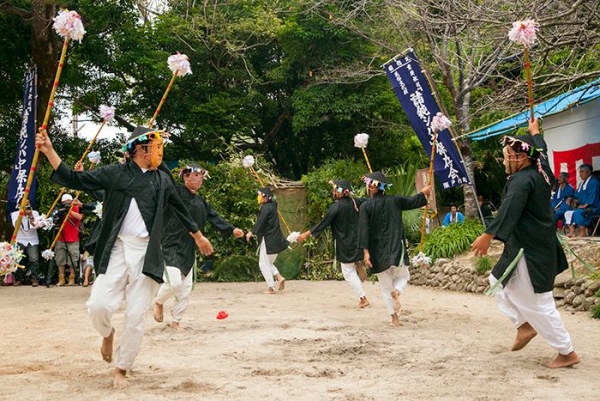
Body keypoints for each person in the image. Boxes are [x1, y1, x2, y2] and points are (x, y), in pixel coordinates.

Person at [35, 126, 213, 389]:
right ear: (139, 149)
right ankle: (107, 333)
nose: (158, 151)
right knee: (98, 306)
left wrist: (198, 236)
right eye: (154, 146)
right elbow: (74, 179)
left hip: (147, 252)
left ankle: (122, 367)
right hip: (117, 248)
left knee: (136, 315)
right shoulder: (115, 173)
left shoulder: (163, 180)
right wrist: (49, 151)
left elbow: (180, 208)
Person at [471, 118, 579, 369]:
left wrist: (488, 235)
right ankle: (524, 325)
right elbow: (543, 153)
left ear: (521, 157)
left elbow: (510, 209)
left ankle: (567, 352)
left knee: (540, 304)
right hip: (529, 246)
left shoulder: (521, 181)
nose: (506, 160)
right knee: (496, 281)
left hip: (530, 250)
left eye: (508, 155)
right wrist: (535, 133)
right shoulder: (542, 171)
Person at [154, 163, 244, 330]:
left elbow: (214, 217)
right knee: (174, 283)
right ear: (185, 177)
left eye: (202, 176)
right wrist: (156, 152)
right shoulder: (175, 192)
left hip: (190, 247)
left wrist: (232, 230)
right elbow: (164, 172)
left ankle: (176, 321)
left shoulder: (201, 202)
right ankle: (158, 302)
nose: (200, 178)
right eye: (196, 175)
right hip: (171, 244)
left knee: (186, 288)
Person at [358, 171, 431, 326]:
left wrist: (365, 253)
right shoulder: (395, 200)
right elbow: (414, 201)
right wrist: (424, 193)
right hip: (396, 249)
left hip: (377, 253)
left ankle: (394, 319)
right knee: (404, 277)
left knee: (385, 287)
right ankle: (397, 291)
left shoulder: (365, 206)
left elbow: (363, 230)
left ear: (371, 188)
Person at [298, 179, 369, 308]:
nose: (334, 191)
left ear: (343, 193)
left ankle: (363, 298)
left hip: (345, 243)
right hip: (358, 241)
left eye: (336, 189)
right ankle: (358, 263)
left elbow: (323, 224)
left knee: (347, 272)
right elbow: (368, 202)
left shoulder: (336, 207)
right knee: (351, 262)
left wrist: (305, 234)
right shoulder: (355, 202)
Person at [246, 187, 288, 294]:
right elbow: (273, 200)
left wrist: (252, 232)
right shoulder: (273, 205)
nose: (258, 197)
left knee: (263, 264)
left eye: (260, 195)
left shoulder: (266, 208)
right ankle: (279, 277)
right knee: (268, 263)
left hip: (268, 239)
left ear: (265, 197)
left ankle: (271, 287)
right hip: (276, 239)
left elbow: (261, 222)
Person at [10, 200, 44, 287]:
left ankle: (35, 279)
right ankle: (18, 279)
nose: (27, 204)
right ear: (19, 204)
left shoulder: (35, 213)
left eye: (28, 203)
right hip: (20, 239)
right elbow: (16, 225)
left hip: (32, 240)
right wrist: (22, 214)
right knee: (17, 260)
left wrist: (31, 215)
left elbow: (36, 226)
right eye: (24, 203)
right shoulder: (14, 214)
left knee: (34, 259)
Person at [53, 193, 83, 286]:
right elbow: (54, 220)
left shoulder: (76, 208)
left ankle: (72, 279)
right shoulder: (59, 210)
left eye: (68, 202)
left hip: (73, 238)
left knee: (72, 260)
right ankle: (61, 279)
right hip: (61, 238)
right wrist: (61, 212)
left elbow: (80, 217)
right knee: (60, 259)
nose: (66, 204)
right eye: (64, 203)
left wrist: (69, 211)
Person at [564, 164, 599, 237]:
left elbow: (594, 195)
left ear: (588, 173)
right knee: (568, 212)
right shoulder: (581, 184)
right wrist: (571, 198)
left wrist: (586, 204)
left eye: (582, 172)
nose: (580, 174)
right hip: (583, 206)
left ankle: (583, 232)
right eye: (579, 172)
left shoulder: (594, 182)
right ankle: (572, 232)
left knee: (578, 212)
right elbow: (576, 194)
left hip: (594, 207)